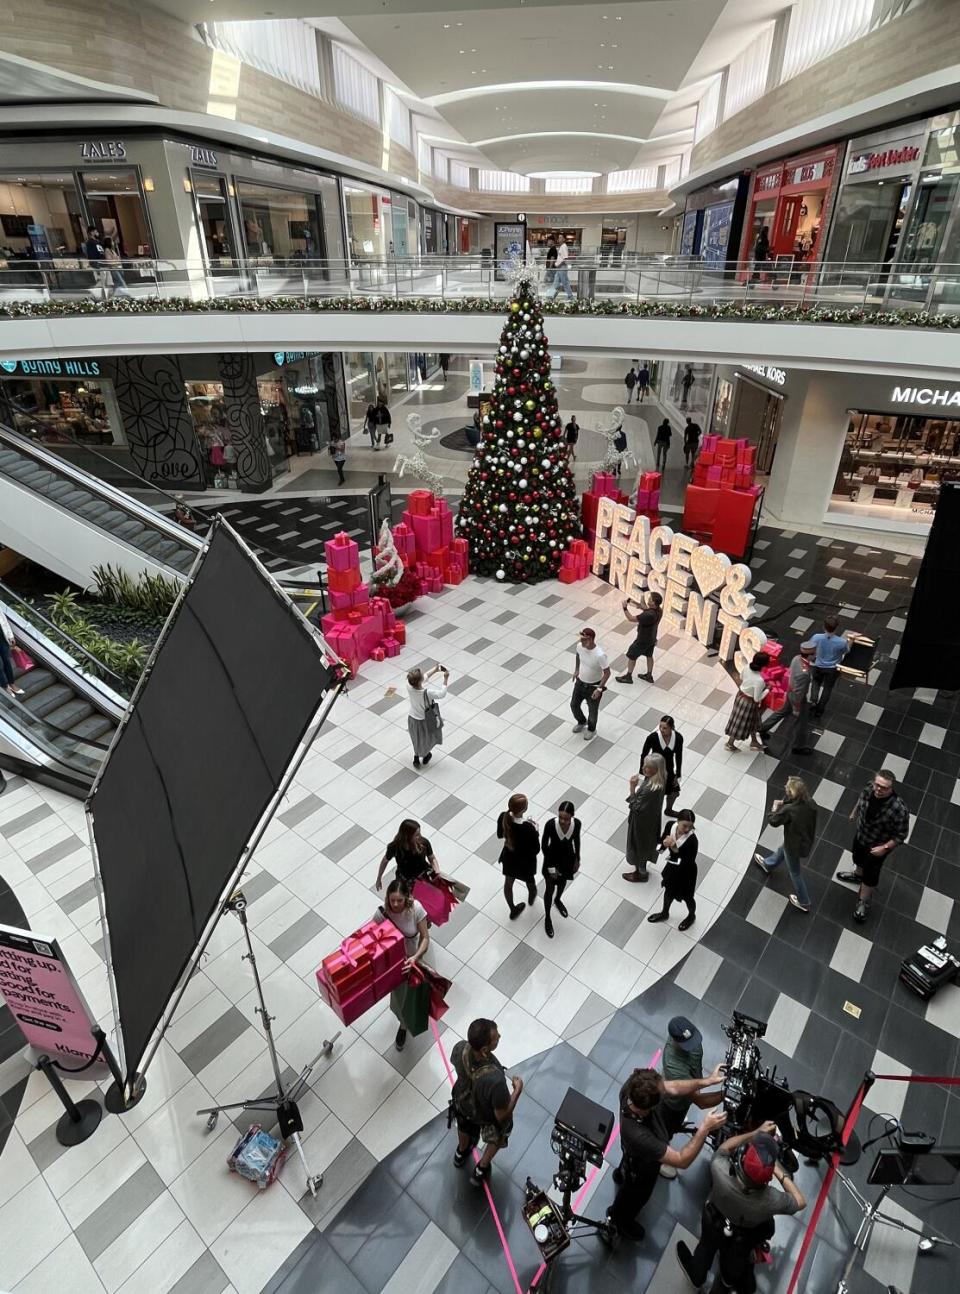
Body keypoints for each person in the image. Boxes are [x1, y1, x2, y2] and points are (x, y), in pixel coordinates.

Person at [677, 1125, 806, 1291]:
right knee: (731, 1269)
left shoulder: (719, 1169)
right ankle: (724, 1285)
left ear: (743, 1158)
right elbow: (800, 1201)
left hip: (713, 1219)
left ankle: (696, 1275)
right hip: (741, 1238)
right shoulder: (771, 1199)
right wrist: (776, 1170)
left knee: (706, 1247)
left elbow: (725, 1147)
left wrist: (755, 1132)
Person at [607, 1067, 727, 1241]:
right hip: (641, 1167)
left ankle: (620, 1174)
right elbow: (681, 1160)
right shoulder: (639, 1135)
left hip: (631, 1151)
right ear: (647, 1108)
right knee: (636, 1195)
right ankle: (619, 1220)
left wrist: (707, 1081)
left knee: (626, 1164)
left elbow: (672, 1087)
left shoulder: (633, 1086)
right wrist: (705, 1128)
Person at [450, 1018, 523, 1186]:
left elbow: (455, 1064)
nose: (500, 1036)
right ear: (484, 1049)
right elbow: (502, 1116)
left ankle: (461, 1152)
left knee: (463, 1125)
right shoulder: (495, 1080)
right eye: (496, 1037)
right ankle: (481, 1168)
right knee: (502, 1130)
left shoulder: (460, 1047)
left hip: (462, 1103)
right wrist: (517, 1091)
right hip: (483, 1114)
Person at [837, 770, 910, 924]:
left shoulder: (899, 809)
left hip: (877, 847)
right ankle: (858, 875)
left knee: (870, 875)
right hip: (861, 836)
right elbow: (860, 798)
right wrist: (854, 812)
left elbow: (901, 835)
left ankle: (863, 901)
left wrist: (884, 848)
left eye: (884, 787)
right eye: (878, 784)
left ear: (891, 788)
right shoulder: (869, 787)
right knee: (856, 857)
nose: (879, 789)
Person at [657, 1016, 725, 1180]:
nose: (693, 1046)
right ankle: (662, 1160)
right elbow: (700, 1102)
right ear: (675, 1041)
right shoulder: (673, 1064)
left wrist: (705, 1082)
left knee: (679, 1114)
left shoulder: (692, 1042)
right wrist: (726, 1094)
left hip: (685, 1095)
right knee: (666, 1131)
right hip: (671, 1104)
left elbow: (696, 1071)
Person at [375, 878, 430, 1051]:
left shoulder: (416, 910)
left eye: (400, 900)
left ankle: (406, 1024)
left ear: (407, 897)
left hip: (413, 958)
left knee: (412, 994)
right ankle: (403, 1023)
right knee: (399, 996)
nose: (396, 904)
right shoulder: (382, 914)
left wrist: (416, 957)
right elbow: (373, 937)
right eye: (392, 900)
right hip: (393, 963)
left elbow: (425, 938)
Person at [754, 777, 817, 914]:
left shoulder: (789, 811)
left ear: (792, 792)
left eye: (788, 788)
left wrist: (775, 808)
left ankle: (804, 902)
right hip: (804, 839)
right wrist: (785, 802)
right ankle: (768, 864)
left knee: (795, 872)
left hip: (793, 845)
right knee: (782, 850)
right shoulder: (811, 803)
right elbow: (796, 803)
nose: (785, 788)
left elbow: (773, 821)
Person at [760, 641, 815, 757]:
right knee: (800, 723)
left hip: (790, 692)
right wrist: (797, 708)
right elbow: (799, 693)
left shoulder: (796, 659)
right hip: (797, 699)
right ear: (810, 655)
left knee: (782, 711)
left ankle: (763, 728)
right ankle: (798, 746)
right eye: (815, 653)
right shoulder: (804, 673)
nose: (816, 655)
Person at [648, 809, 698, 931]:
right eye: (684, 826)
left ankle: (691, 916)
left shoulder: (692, 841)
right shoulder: (670, 825)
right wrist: (663, 845)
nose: (687, 829)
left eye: (690, 827)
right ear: (678, 821)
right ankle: (665, 913)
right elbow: (660, 845)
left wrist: (674, 848)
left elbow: (686, 862)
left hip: (686, 872)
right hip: (673, 868)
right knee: (668, 890)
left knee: (688, 897)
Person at [622, 754, 666, 883]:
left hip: (641, 823)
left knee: (639, 845)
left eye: (648, 767)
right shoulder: (659, 780)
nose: (644, 768)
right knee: (646, 844)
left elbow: (635, 806)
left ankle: (641, 873)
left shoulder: (650, 789)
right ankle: (641, 869)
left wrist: (632, 787)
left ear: (656, 770)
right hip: (651, 820)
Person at [540, 800, 580, 939]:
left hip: (567, 860)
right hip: (552, 860)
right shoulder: (551, 824)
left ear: (572, 816)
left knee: (562, 883)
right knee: (549, 889)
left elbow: (577, 841)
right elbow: (544, 845)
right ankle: (547, 917)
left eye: (566, 818)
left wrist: (577, 859)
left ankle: (558, 900)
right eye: (561, 817)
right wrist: (551, 868)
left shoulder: (577, 824)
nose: (563, 821)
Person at [497, 792, 539, 919]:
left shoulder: (503, 816)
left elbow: (500, 834)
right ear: (524, 809)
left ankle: (513, 909)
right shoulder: (528, 827)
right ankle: (531, 898)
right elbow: (536, 849)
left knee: (508, 884)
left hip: (509, 858)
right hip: (525, 862)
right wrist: (536, 830)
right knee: (530, 882)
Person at [724, 652, 770, 752]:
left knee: (752, 721)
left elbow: (741, 677)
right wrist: (767, 690)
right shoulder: (760, 680)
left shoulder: (747, 666)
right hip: (748, 703)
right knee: (740, 724)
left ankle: (754, 742)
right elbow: (757, 699)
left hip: (740, 696)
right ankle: (729, 744)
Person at [376, 818, 439, 890]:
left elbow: (432, 858)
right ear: (407, 836)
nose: (420, 837)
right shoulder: (394, 847)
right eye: (416, 835)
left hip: (423, 876)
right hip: (405, 880)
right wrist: (379, 878)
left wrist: (437, 872)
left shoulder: (424, 843)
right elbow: (385, 861)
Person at [570, 626, 610, 741]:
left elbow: (607, 673)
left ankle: (592, 729)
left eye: (584, 640)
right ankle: (582, 721)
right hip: (580, 683)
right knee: (574, 705)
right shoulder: (579, 647)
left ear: (591, 639)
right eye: (580, 639)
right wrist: (577, 669)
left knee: (592, 711)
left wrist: (599, 689)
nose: (581, 642)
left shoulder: (600, 655)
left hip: (593, 687)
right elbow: (578, 655)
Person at [807, 616, 850, 719]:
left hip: (818, 666)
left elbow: (810, 646)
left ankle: (813, 702)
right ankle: (820, 710)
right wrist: (851, 640)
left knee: (816, 682)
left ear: (824, 627)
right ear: (836, 628)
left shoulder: (817, 637)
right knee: (827, 688)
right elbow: (846, 651)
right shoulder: (841, 642)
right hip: (832, 669)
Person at [407, 664, 449, 768]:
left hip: (412, 718)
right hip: (424, 720)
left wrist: (435, 670)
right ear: (420, 680)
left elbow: (424, 677)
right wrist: (445, 679)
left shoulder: (409, 687)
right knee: (427, 738)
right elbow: (442, 694)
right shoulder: (427, 693)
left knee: (416, 738)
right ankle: (426, 754)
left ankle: (416, 757)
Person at [617, 592, 663, 684]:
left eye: (650, 599)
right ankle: (649, 675)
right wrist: (638, 605)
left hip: (642, 639)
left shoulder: (648, 615)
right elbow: (647, 608)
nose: (648, 599)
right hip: (652, 638)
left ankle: (628, 677)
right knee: (649, 655)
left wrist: (625, 607)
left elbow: (631, 618)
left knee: (632, 656)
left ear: (653, 603)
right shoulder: (659, 610)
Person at [641, 715, 683, 816]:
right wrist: (642, 771)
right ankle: (650, 810)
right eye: (660, 727)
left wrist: (678, 773)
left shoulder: (678, 738)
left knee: (674, 793)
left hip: (668, 769)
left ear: (671, 728)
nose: (661, 730)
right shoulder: (653, 737)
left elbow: (679, 756)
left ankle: (668, 810)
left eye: (665, 728)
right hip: (654, 770)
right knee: (652, 793)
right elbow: (644, 754)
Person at [0, 604, 25, 696]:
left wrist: (10, 635)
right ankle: (5, 685)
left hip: (2, 638)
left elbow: (3, 620)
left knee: (7, 661)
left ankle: (12, 683)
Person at [82, 225, 111, 302]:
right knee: (100, 282)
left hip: (103, 264)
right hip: (98, 266)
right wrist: (95, 265)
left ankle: (103, 297)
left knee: (104, 282)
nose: (97, 233)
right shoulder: (90, 243)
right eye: (95, 231)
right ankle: (92, 296)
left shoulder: (98, 242)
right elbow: (91, 256)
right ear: (91, 232)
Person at [547, 236, 573, 300]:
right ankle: (551, 296)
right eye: (558, 238)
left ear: (564, 239)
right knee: (556, 282)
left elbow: (565, 259)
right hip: (559, 268)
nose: (559, 239)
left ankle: (570, 296)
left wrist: (559, 265)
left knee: (565, 282)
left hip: (562, 267)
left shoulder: (564, 246)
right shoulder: (561, 247)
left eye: (561, 238)